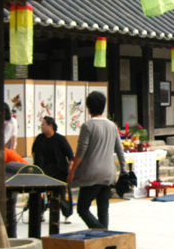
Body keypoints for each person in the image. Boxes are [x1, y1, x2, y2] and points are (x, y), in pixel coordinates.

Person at [67, 91, 126, 229]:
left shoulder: (88, 126)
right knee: (103, 210)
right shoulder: (112, 125)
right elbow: (120, 150)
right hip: (109, 173)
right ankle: (104, 236)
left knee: (82, 208)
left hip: (92, 173)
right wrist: (123, 169)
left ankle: (101, 231)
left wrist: (72, 171)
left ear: (89, 108)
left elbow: (81, 152)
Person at [30, 116, 75, 220]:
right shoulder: (40, 138)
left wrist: (71, 166)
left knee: (61, 194)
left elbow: (70, 154)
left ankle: (66, 213)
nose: (41, 127)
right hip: (43, 170)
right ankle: (40, 212)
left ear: (50, 126)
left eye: (43, 125)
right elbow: (34, 152)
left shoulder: (60, 139)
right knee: (41, 193)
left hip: (59, 171)